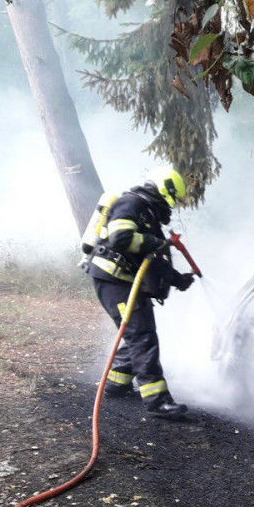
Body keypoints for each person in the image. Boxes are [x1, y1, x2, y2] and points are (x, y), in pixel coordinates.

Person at [80, 168, 197, 418]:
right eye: (172, 200)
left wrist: (178, 279)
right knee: (141, 335)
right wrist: (157, 243)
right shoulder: (131, 203)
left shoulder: (148, 214)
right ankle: (157, 401)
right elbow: (120, 238)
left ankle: (116, 382)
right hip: (113, 281)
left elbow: (152, 260)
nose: (172, 206)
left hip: (126, 281)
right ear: (164, 190)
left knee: (138, 332)